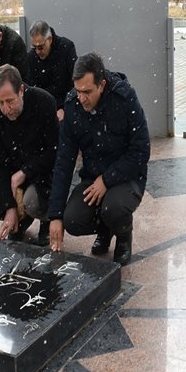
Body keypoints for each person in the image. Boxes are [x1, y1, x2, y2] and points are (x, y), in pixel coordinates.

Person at [47, 52, 150, 266]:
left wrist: (107, 179)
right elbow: (64, 161)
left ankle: (123, 236)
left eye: (87, 91)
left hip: (127, 176)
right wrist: (55, 215)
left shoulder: (124, 98)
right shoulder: (73, 106)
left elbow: (141, 150)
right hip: (92, 176)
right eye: (77, 91)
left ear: (101, 84)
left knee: (114, 208)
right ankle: (106, 230)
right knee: (72, 219)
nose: (81, 98)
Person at [0, 64, 58, 245]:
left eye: (10, 101)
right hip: (11, 170)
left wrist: (25, 172)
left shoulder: (44, 102)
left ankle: (45, 220)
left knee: (33, 201)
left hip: (42, 171)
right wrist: (9, 207)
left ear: (21, 90)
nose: (5, 109)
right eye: (0, 102)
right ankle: (19, 220)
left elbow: (53, 152)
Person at [26, 20, 78, 122]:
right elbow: (32, 88)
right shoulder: (31, 57)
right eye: (34, 47)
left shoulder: (66, 48)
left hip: (67, 104)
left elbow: (75, 81)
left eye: (40, 47)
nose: (37, 52)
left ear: (49, 39)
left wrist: (64, 107)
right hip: (43, 107)